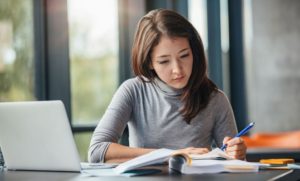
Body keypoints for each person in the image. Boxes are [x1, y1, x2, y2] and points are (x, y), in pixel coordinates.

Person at [88, 9, 246, 163]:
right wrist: (171, 155)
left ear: (194, 52)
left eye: (184, 55)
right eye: (164, 61)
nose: (177, 69)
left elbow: (235, 166)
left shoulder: (215, 99)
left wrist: (237, 155)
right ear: (149, 62)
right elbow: (97, 151)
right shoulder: (133, 91)